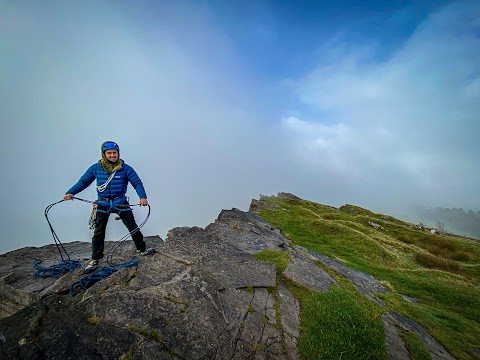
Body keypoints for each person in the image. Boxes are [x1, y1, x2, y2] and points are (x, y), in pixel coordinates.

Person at [64, 141, 154, 273]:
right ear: (104, 154)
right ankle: (95, 259)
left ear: (118, 153)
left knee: (132, 226)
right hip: (103, 203)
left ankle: (142, 249)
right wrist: (70, 192)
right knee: (99, 231)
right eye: (109, 153)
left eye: (114, 153)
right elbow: (83, 182)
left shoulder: (125, 168)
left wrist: (143, 197)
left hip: (120, 201)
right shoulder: (95, 168)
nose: (112, 155)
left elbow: (137, 183)